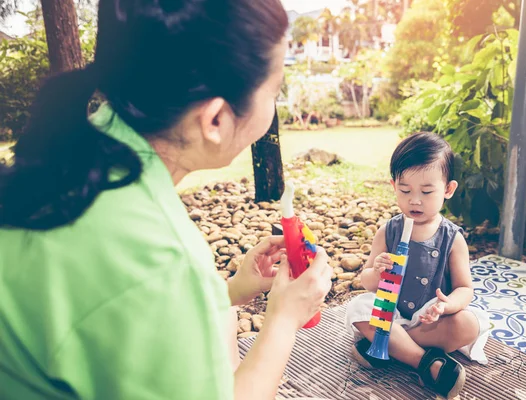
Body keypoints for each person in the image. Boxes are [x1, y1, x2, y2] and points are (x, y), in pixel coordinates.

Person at [0, 1, 332, 399]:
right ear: (215, 121)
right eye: (274, 90)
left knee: (222, 314)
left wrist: (228, 291)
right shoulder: (162, 258)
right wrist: (283, 318)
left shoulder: (78, 154)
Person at [345, 132, 489, 399]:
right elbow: (366, 282)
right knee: (358, 307)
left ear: (448, 190)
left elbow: (465, 289)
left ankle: (385, 346)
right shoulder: (388, 232)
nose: (414, 200)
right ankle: (424, 362)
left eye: (426, 191)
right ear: (393, 186)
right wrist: (377, 271)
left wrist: (445, 306)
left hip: (430, 320)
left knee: (470, 323)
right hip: (391, 314)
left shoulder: (452, 239)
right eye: (405, 190)